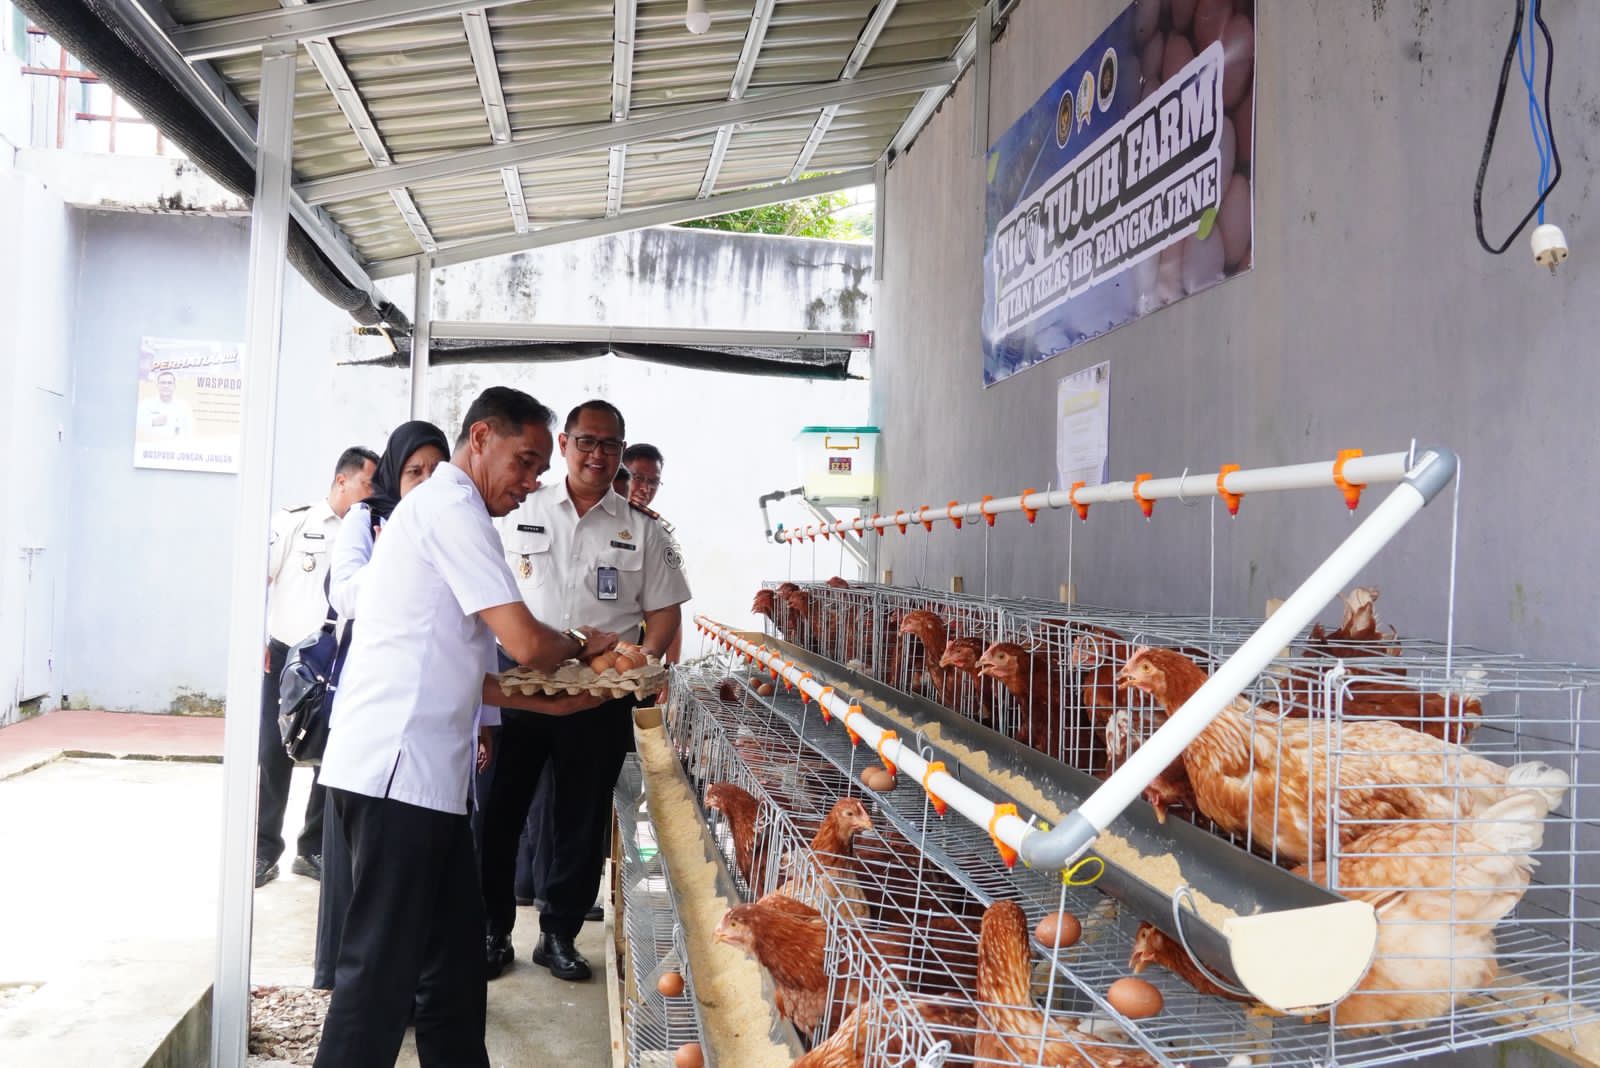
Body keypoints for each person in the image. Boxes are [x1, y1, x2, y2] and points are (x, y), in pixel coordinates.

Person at [313, 388, 617, 1068]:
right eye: (526, 459)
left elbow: (463, 672)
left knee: (451, 973)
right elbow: (528, 643)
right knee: (378, 979)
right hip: (398, 776)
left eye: (540, 465)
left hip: (431, 785)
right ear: (480, 438)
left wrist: (552, 705)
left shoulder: (451, 511)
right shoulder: (452, 506)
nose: (532, 479)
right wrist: (582, 645)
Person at [483, 401, 690, 982]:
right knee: (501, 810)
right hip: (520, 684)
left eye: (610, 446)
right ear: (567, 443)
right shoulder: (517, 510)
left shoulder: (644, 530)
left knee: (581, 815)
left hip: (598, 696)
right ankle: (492, 929)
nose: (597, 455)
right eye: (586, 442)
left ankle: (559, 933)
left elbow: (665, 611)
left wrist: (638, 666)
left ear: (621, 453)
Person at [313, 420, 451, 992]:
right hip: (372, 698)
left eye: (436, 471)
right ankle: (348, 980)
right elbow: (343, 591)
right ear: (394, 474)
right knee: (360, 865)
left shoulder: (454, 523)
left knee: (419, 874)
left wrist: (486, 719)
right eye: (413, 471)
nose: (424, 482)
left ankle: (413, 988)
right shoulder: (366, 520)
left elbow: (467, 629)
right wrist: (401, 563)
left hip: (433, 713)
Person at [257, 445, 377, 889]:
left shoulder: (370, 531)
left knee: (331, 757)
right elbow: (259, 578)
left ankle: (312, 849)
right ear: (342, 480)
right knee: (273, 754)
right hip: (289, 657)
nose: (373, 493)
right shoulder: (295, 522)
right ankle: (263, 849)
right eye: (368, 483)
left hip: (340, 661)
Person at [136, 370, 194, 438]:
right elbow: (137, 425)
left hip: (176, 446)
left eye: (169, 383)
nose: (166, 386)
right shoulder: (146, 404)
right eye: (163, 383)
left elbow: (189, 431)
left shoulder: (183, 406)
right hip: (152, 446)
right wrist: (153, 422)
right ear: (157, 385)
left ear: (174, 386)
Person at [620, 443, 663, 510]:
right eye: (638, 478)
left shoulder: (651, 520)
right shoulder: (599, 511)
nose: (645, 489)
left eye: (653, 482)